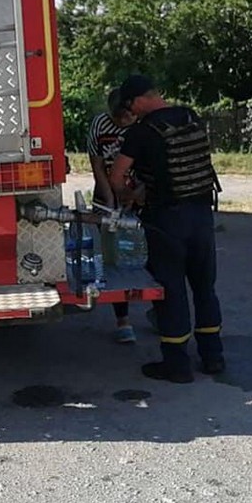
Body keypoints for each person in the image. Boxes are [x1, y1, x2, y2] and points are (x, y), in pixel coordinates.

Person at [109, 75, 223, 384]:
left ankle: (177, 365)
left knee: (170, 292)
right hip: (201, 213)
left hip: (166, 221)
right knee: (204, 287)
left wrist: (129, 196)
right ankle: (213, 356)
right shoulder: (190, 116)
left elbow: (117, 175)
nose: (131, 112)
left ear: (140, 100)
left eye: (130, 105)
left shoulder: (141, 132)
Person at [86, 89, 138, 343]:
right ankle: (123, 320)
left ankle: (160, 311)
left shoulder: (142, 125)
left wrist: (135, 195)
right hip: (106, 193)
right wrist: (109, 198)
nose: (123, 123)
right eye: (118, 120)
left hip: (138, 193)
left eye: (127, 118)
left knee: (144, 251)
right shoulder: (99, 124)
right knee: (114, 256)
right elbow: (96, 163)